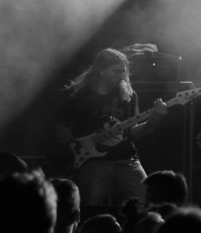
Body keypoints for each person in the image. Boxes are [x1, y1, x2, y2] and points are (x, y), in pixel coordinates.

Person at [55, 48, 167, 207]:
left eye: (124, 71)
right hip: (93, 162)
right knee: (87, 206)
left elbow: (132, 133)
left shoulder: (128, 96)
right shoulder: (79, 97)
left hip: (126, 160)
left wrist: (154, 120)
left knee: (147, 202)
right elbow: (63, 127)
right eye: (116, 71)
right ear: (101, 70)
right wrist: (61, 129)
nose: (122, 75)